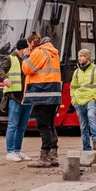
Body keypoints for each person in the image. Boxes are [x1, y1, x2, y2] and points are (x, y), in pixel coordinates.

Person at [23, 32, 61, 168]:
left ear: (33, 42)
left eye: (28, 45)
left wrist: (26, 55)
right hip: (53, 93)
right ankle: (53, 155)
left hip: (42, 93)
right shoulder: (52, 52)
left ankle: (44, 157)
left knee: (43, 125)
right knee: (50, 124)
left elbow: (27, 69)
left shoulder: (39, 52)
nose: (28, 48)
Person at [0, 38, 32, 161]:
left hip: (26, 97)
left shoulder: (28, 59)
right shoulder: (10, 58)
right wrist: (4, 78)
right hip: (15, 96)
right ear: (22, 49)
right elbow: (0, 70)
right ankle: (10, 151)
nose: (29, 50)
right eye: (28, 48)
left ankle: (18, 150)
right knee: (13, 125)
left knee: (22, 126)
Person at [70, 48, 96, 151]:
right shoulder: (76, 72)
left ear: (87, 57)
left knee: (91, 116)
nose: (79, 58)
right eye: (78, 56)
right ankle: (86, 147)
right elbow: (73, 88)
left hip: (92, 99)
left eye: (81, 56)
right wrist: (74, 100)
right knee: (83, 126)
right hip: (79, 102)